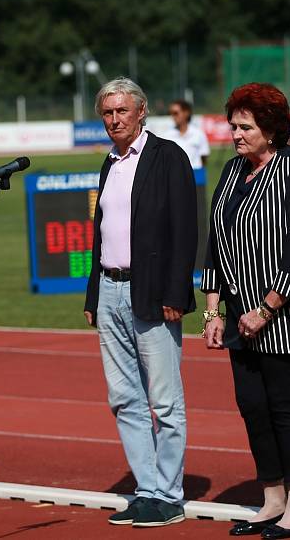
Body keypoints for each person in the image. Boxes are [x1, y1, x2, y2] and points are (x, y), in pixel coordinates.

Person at [201, 83, 290, 539]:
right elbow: (214, 242)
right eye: (232, 125)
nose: (234, 133)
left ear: (271, 129)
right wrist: (213, 311)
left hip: (282, 318)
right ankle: (271, 495)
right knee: (251, 406)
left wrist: (267, 308)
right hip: (238, 318)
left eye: (244, 126)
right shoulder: (233, 172)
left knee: (283, 407)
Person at [83, 77, 198, 528]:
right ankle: (146, 489)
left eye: (121, 111)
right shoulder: (109, 163)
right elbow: (101, 233)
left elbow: (185, 231)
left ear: (141, 111)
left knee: (165, 402)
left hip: (152, 292)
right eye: (107, 113)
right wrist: (94, 292)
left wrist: (176, 293)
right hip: (110, 291)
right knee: (124, 398)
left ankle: (169, 496)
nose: (114, 120)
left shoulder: (168, 156)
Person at [162, 99, 211, 170]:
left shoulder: (198, 134)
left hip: (196, 173)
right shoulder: (167, 135)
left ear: (186, 113)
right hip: (176, 173)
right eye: (171, 113)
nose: (173, 116)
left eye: (176, 113)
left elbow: (204, 157)